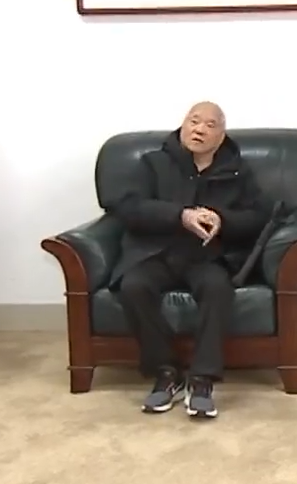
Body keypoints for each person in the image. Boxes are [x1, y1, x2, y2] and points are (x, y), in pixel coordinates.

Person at [111, 101, 272, 419]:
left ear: (221, 135)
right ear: (183, 125)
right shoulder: (152, 163)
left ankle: (202, 379)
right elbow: (129, 208)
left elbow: (258, 217)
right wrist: (179, 216)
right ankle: (166, 372)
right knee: (134, 286)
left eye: (210, 125)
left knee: (217, 288)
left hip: (206, 256)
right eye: (194, 121)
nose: (199, 130)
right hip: (155, 252)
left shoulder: (237, 172)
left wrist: (222, 220)